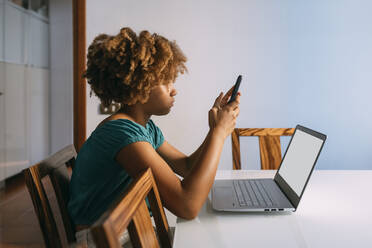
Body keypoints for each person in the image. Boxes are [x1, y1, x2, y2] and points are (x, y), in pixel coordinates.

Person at [68, 27, 240, 246]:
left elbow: (187, 166)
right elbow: (187, 206)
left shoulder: (144, 128)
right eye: (166, 81)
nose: (174, 90)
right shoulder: (122, 134)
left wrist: (214, 128)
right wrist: (219, 134)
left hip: (129, 231)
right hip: (104, 241)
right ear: (138, 85)